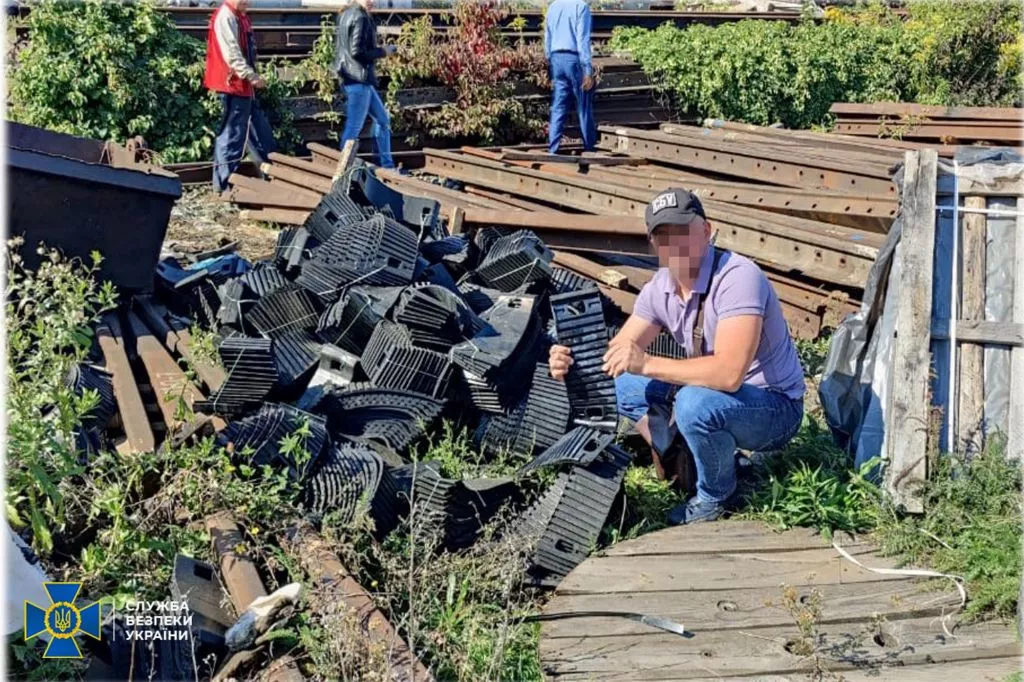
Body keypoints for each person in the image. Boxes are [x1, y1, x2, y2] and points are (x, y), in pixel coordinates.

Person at [549, 189, 806, 525]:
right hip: (718, 397)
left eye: (683, 231)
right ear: (654, 244)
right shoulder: (660, 288)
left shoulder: (738, 277)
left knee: (693, 404)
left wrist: (646, 364)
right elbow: (616, 356)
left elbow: (729, 374)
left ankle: (718, 495)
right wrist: (572, 362)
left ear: (706, 230)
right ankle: (684, 449)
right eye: (664, 237)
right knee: (620, 386)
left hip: (774, 408)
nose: (675, 245)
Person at [204, 0, 278, 194]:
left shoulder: (239, 16)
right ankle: (223, 185)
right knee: (232, 136)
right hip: (233, 87)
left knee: (256, 134)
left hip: (242, 88)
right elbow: (232, 55)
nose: (248, 1)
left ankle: (269, 177)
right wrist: (252, 77)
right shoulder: (227, 17)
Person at [335, 0, 396, 169]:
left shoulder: (346, 14)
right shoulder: (360, 17)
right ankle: (343, 168)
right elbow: (357, 51)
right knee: (354, 127)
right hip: (358, 79)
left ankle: (386, 165)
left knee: (383, 120)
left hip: (356, 78)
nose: (372, 1)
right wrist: (383, 51)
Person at [544, 0, 596, 154]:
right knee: (583, 104)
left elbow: (547, 36)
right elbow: (582, 40)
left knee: (558, 105)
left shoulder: (553, 6)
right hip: (573, 59)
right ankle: (589, 147)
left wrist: (549, 59)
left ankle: (553, 148)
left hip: (556, 58)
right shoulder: (581, 7)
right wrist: (587, 69)